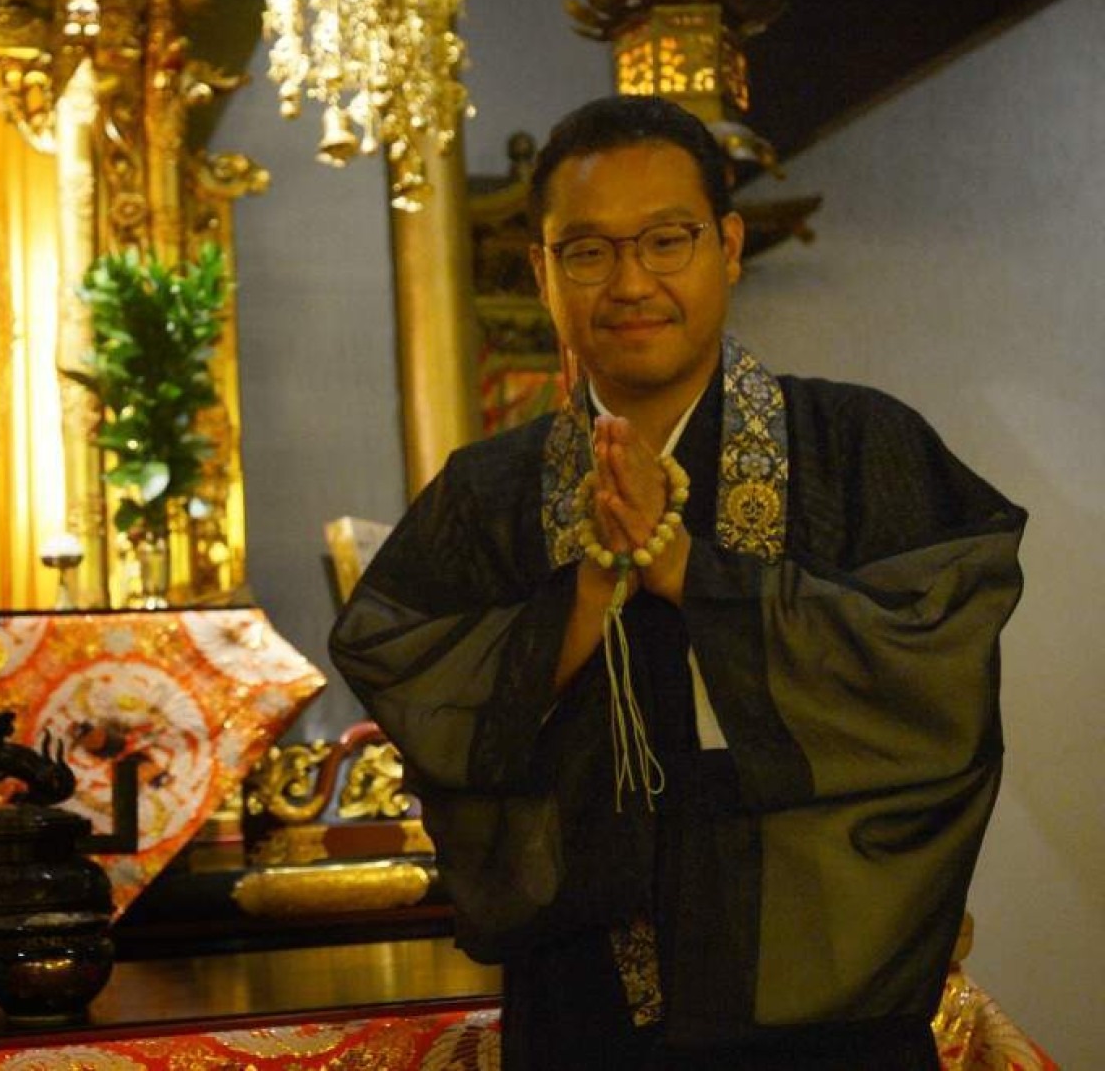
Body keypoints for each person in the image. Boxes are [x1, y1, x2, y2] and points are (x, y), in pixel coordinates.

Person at [330, 95, 1025, 1069]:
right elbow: (409, 670)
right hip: (582, 1016)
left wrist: (690, 571)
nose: (630, 282)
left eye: (667, 240)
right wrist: (588, 593)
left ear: (728, 245)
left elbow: (935, 677)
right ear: (542, 270)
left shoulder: (865, 447)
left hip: (831, 1013)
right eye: (587, 251)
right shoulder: (487, 493)